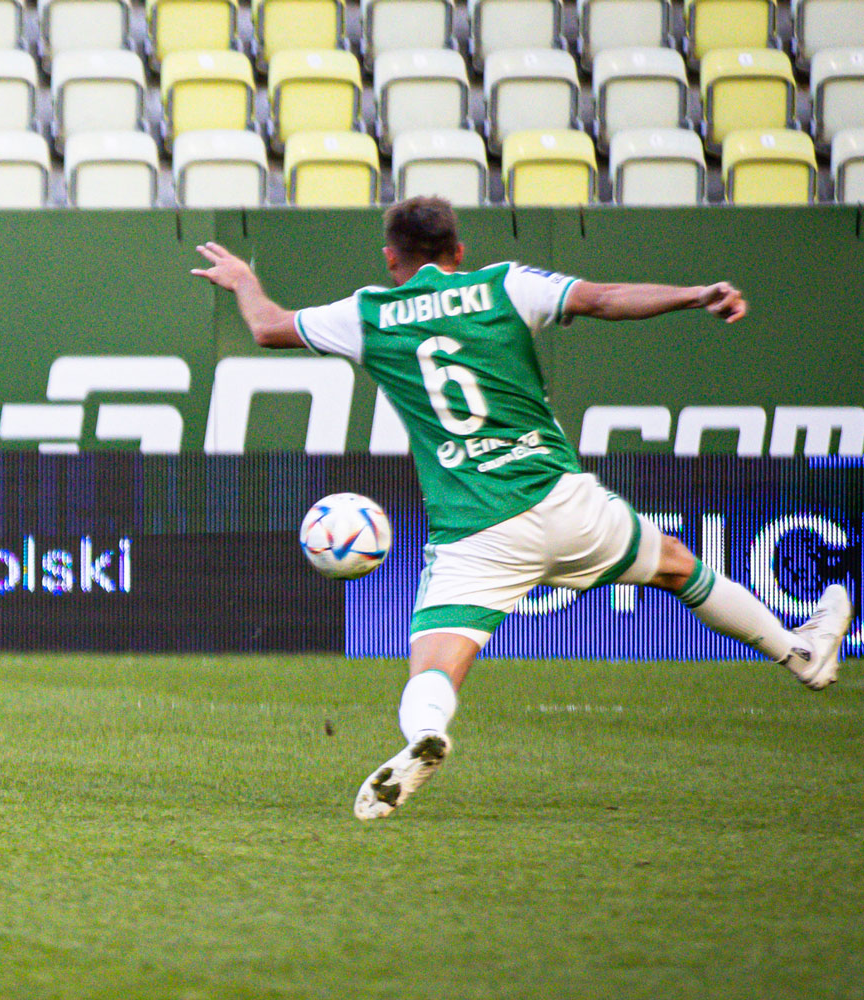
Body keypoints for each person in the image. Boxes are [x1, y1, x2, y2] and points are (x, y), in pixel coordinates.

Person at [191, 196, 854, 821]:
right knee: (678, 566)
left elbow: (268, 328)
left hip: (475, 532)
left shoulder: (369, 313)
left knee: (436, 663)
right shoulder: (505, 284)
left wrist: (244, 279)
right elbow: (603, 298)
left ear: (392, 258)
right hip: (561, 500)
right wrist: (693, 294)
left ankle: (425, 735)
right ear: (458, 250)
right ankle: (800, 655)